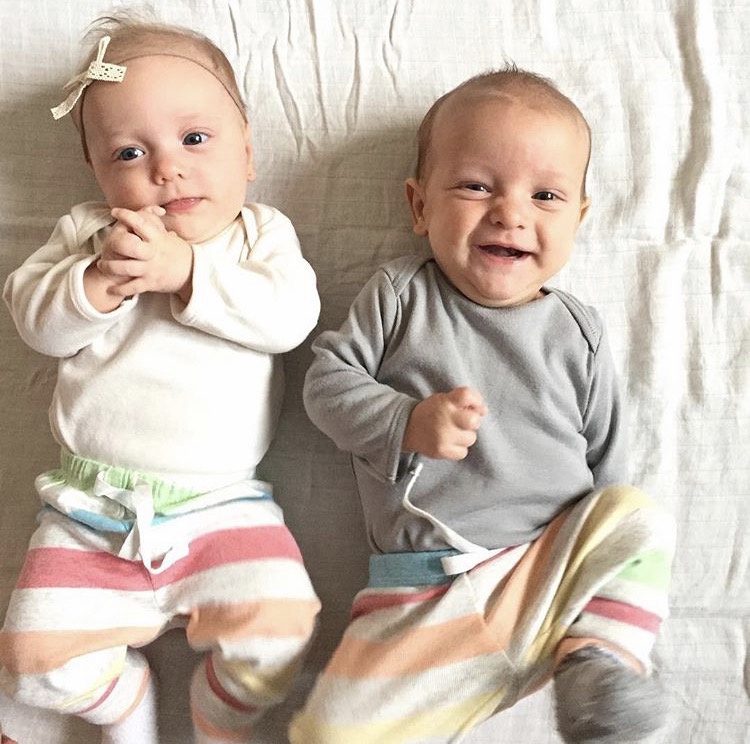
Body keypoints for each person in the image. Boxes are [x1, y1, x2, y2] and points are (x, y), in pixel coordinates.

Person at [291, 67, 676, 744]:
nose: (510, 213)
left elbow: (609, 457)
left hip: (545, 576)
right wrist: (404, 421)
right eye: (476, 186)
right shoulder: (401, 296)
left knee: (636, 517)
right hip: (423, 592)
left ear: (579, 218)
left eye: (546, 195)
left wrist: (600, 571)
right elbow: (325, 385)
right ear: (419, 206)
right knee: (327, 731)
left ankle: (598, 664)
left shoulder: (577, 332)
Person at [0, 14, 321, 744]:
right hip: (90, 511)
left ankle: (218, 714)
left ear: (248, 153)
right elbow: (35, 320)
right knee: (29, 662)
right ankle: (125, 701)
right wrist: (96, 283)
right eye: (129, 151)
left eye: (195, 139)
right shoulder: (87, 235)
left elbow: (290, 319)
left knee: (281, 631)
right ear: (97, 171)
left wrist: (187, 272)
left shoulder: (258, 236)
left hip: (224, 508)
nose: (166, 168)